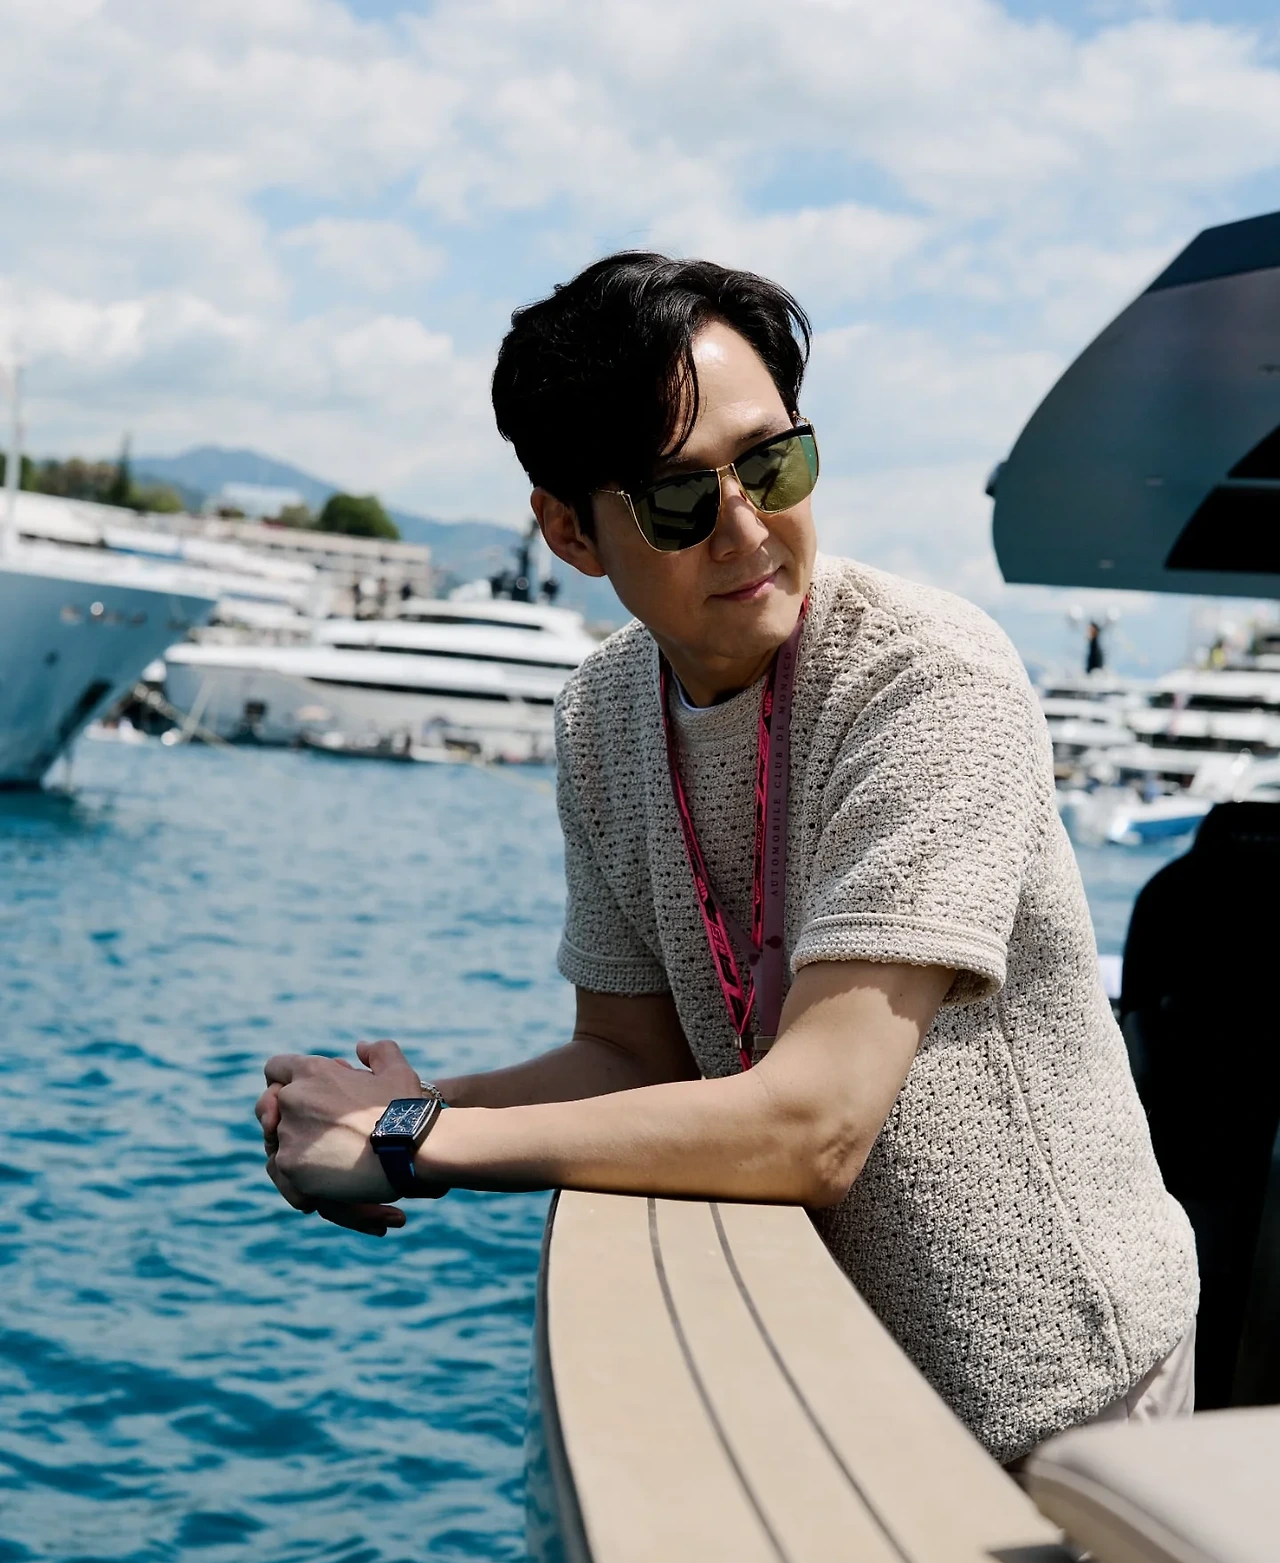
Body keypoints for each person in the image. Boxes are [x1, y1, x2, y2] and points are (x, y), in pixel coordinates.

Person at [257, 253, 1197, 1465]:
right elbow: (629, 1053)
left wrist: (404, 1143)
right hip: (827, 1380)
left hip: (1062, 1388)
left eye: (770, 463)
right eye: (675, 501)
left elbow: (815, 1123)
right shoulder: (602, 716)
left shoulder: (926, 679)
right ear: (568, 530)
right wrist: (411, 1108)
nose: (745, 527)